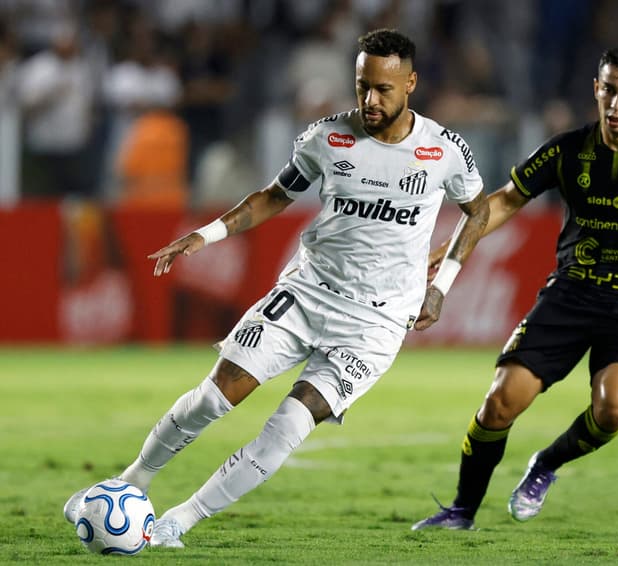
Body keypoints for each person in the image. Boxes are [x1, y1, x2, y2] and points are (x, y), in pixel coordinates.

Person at [62, 28, 489, 547]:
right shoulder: (326, 139)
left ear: (411, 84)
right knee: (213, 400)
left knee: (288, 427)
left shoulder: (443, 150)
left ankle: (178, 521)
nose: (370, 100)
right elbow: (273, 196)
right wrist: (207, 233)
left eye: (383, 89)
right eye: (362, 86)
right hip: (308, 295)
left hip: (375, 324)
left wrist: (442, 283)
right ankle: (130, 482)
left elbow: (478, 208)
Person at [412, 44, 618, 531]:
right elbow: (507, 200)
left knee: (613, 408)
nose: (616, 104)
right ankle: (461, 511)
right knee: (500, 402)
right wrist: (454, 242)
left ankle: (545, 464)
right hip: (569, 297)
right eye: (609, 90)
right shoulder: (567, 149)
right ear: (596, 88)